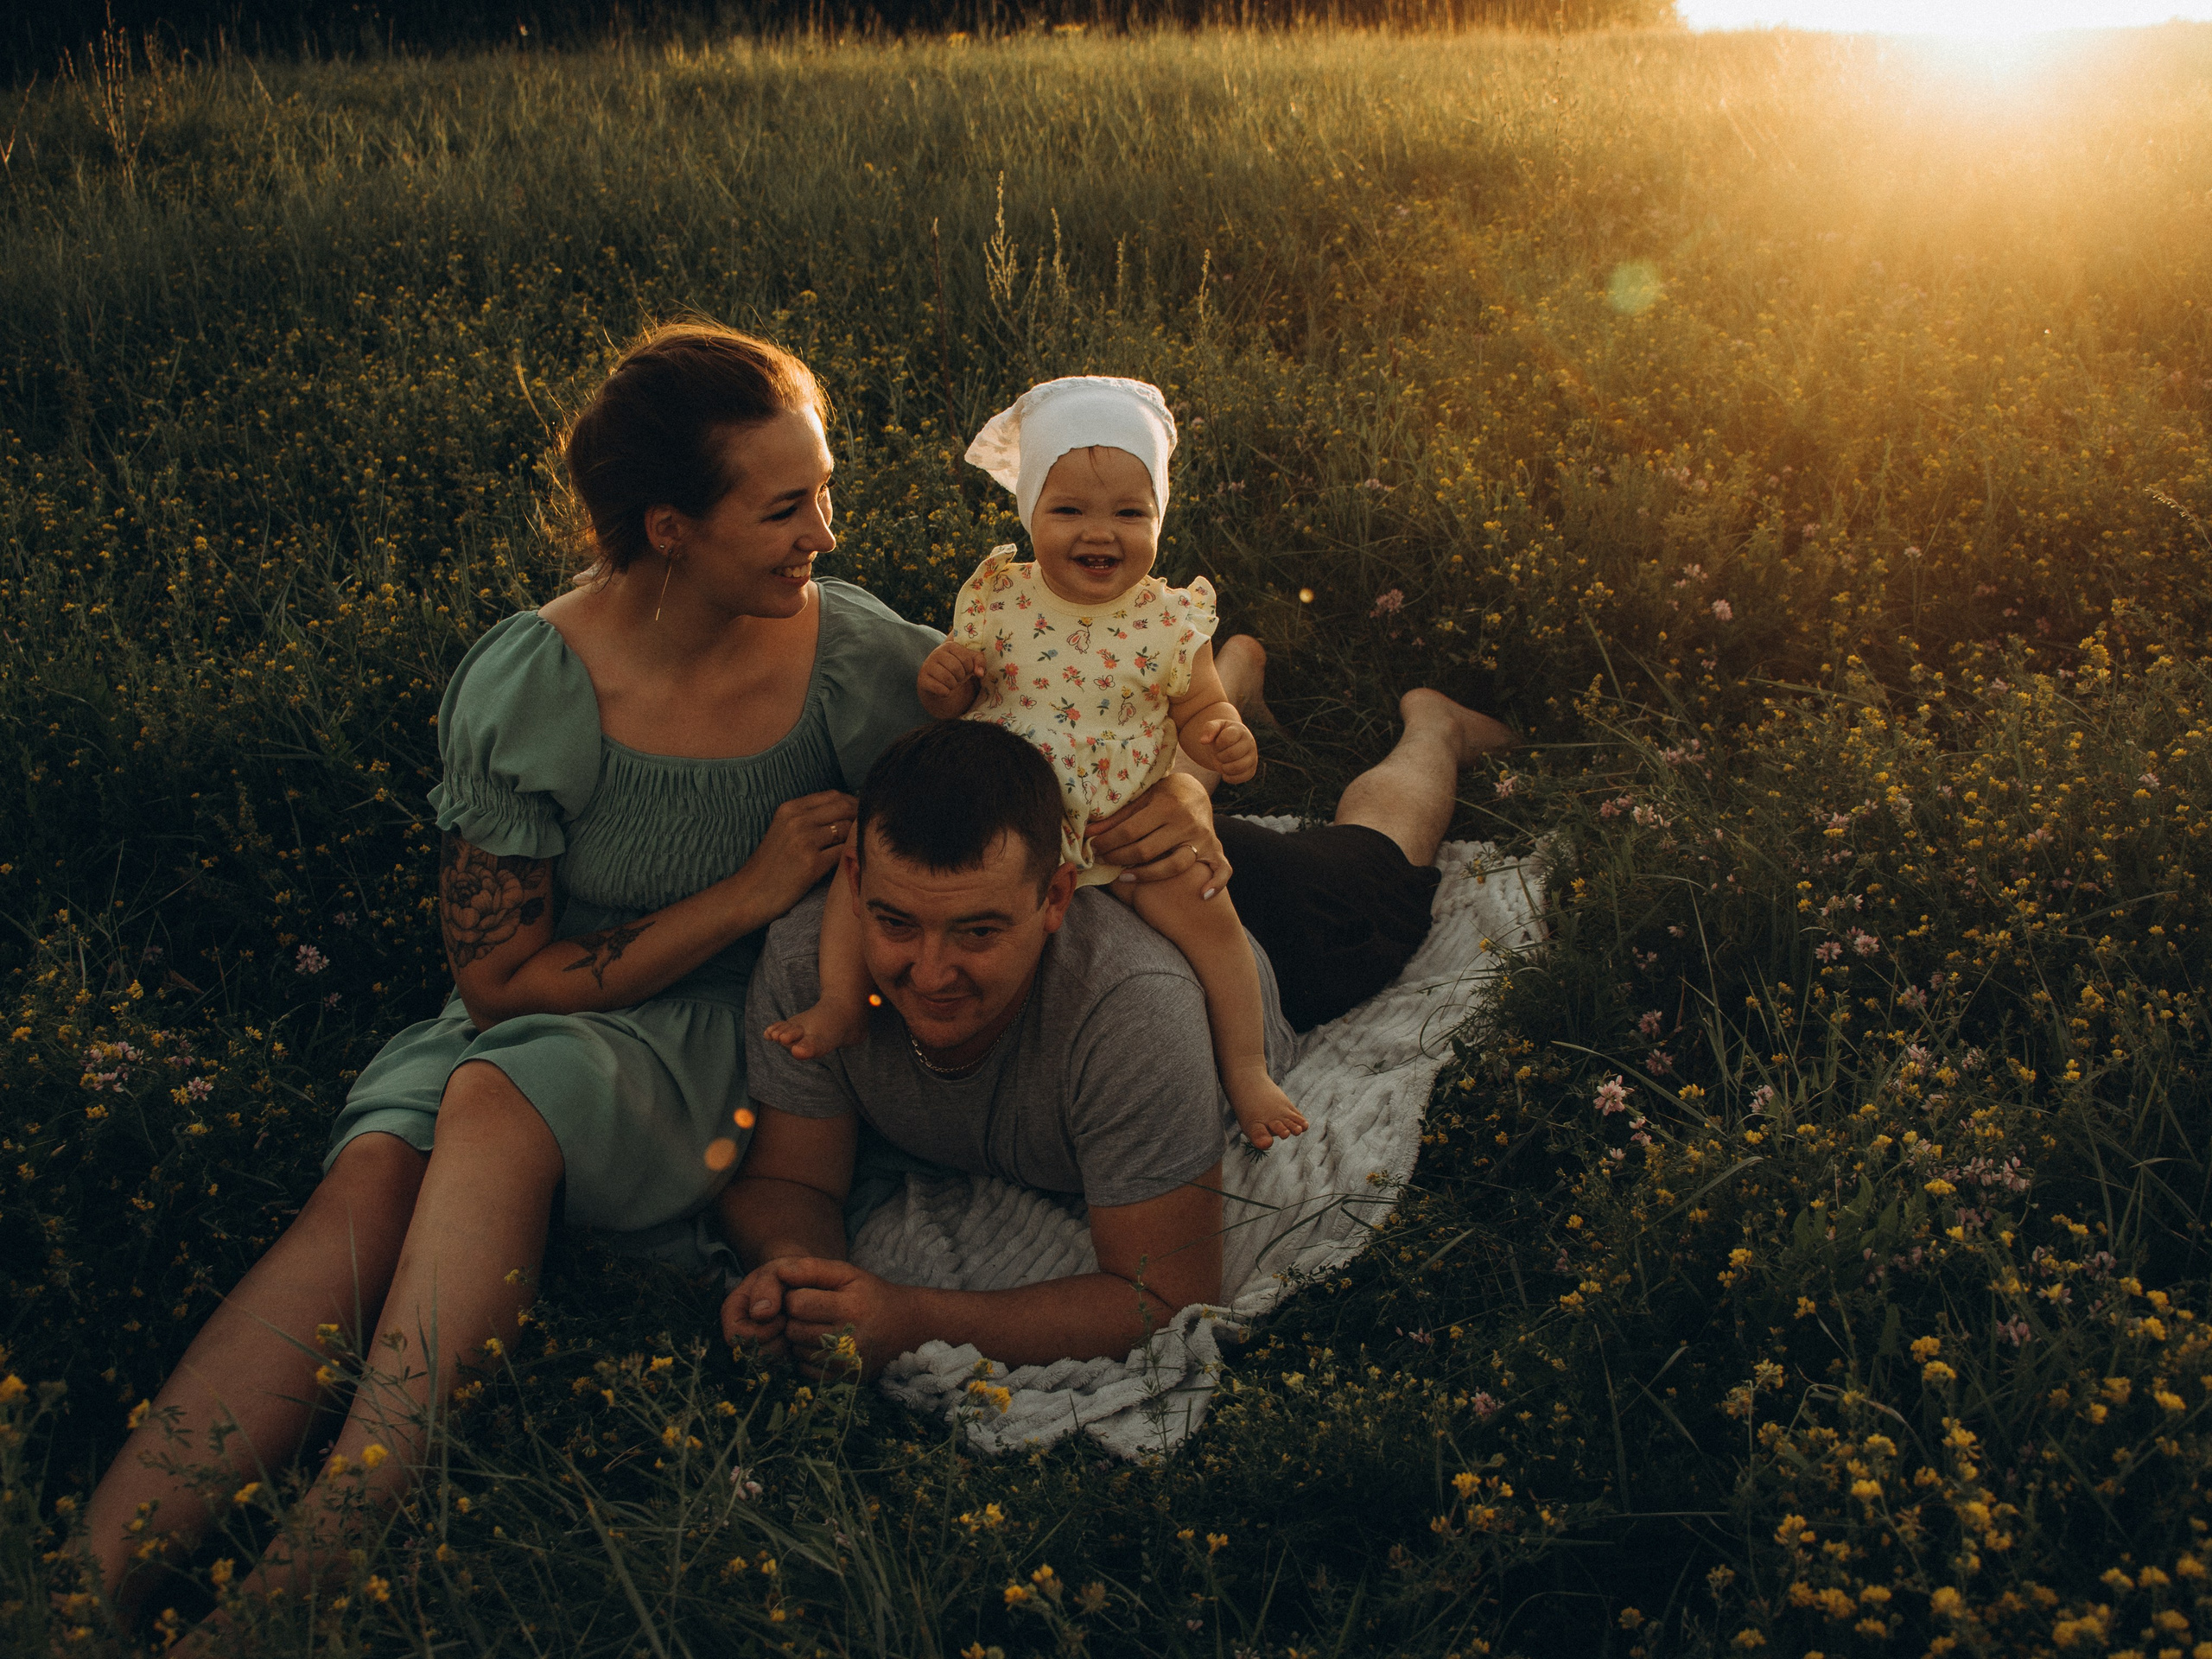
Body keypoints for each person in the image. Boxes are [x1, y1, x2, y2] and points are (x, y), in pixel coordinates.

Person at [74, 323, 1224, 1630]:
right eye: (787, 508)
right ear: (670, 527)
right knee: (372, 1179)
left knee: (501, 1101)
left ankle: (332, 1537)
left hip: (725, 1028)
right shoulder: (535, 682)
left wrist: (1184, 782)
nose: (827, 536)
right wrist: (743, 889)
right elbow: (502, 979)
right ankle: (82, 1585)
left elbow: (1067, 718)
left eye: (824, 493)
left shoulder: (842, 652)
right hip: (548, 995)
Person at [723, 651, 1515, 1376]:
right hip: (1107, 866)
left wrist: (906, 1317)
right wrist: (797, 1276)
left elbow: (1160, 1296)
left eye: (978, 932)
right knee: (1138, 810)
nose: (930, 974)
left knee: (1380, 854)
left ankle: (1432, 724)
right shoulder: (809, 965)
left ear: (1056, 899)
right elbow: (792, 1178)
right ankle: (1226, 686)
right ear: (855, 881)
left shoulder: (1131, 1011)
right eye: (897, 922)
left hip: (1266, 924)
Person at [769, 375, 1306, 1152]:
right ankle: (841, 1003)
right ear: (1029, 515)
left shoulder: (1167, 620)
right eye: (1069, 511)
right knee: (861, 877)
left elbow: (1198, 709)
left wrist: (1223, 732)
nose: (1101, 532)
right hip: (1004, 811)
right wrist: (944, 682)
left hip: (1122, 827)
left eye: (1131, 512)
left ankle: (1249, 1068)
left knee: (1211, 916)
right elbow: (955, 688)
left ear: (1159, 518)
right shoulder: (1001, 598)